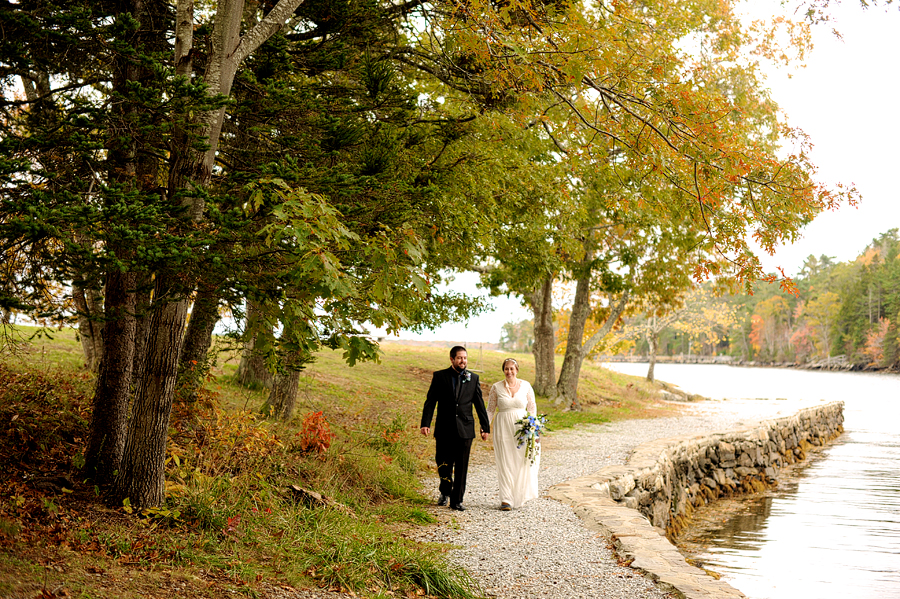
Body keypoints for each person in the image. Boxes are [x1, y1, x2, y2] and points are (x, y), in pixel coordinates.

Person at [420, 346, 491, 511]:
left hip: (465, 429)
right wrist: (425, 423)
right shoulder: (439, 376)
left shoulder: (473, 378)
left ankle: (457, 500)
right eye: (459, 358)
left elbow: (480, 404)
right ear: (452, 359)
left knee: (462, 465)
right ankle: (445, 491)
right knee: (443, 463)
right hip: (444, 428)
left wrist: (485, 426)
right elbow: (430, 401)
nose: (463, 361)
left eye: (465, 358)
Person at [487, 358, 539, 510]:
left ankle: (519, 494)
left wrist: (533, 428)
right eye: (506, 369)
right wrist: (485, 427)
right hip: (503, 427)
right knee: (505, 461)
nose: (509, 372)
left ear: (517, 370)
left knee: (520, 460)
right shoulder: (496, 387)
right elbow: (490, 409)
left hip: (522, 429)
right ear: (503, 370)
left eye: (512, 369)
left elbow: (532, 408)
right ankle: (506, 499)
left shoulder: (526, 386)